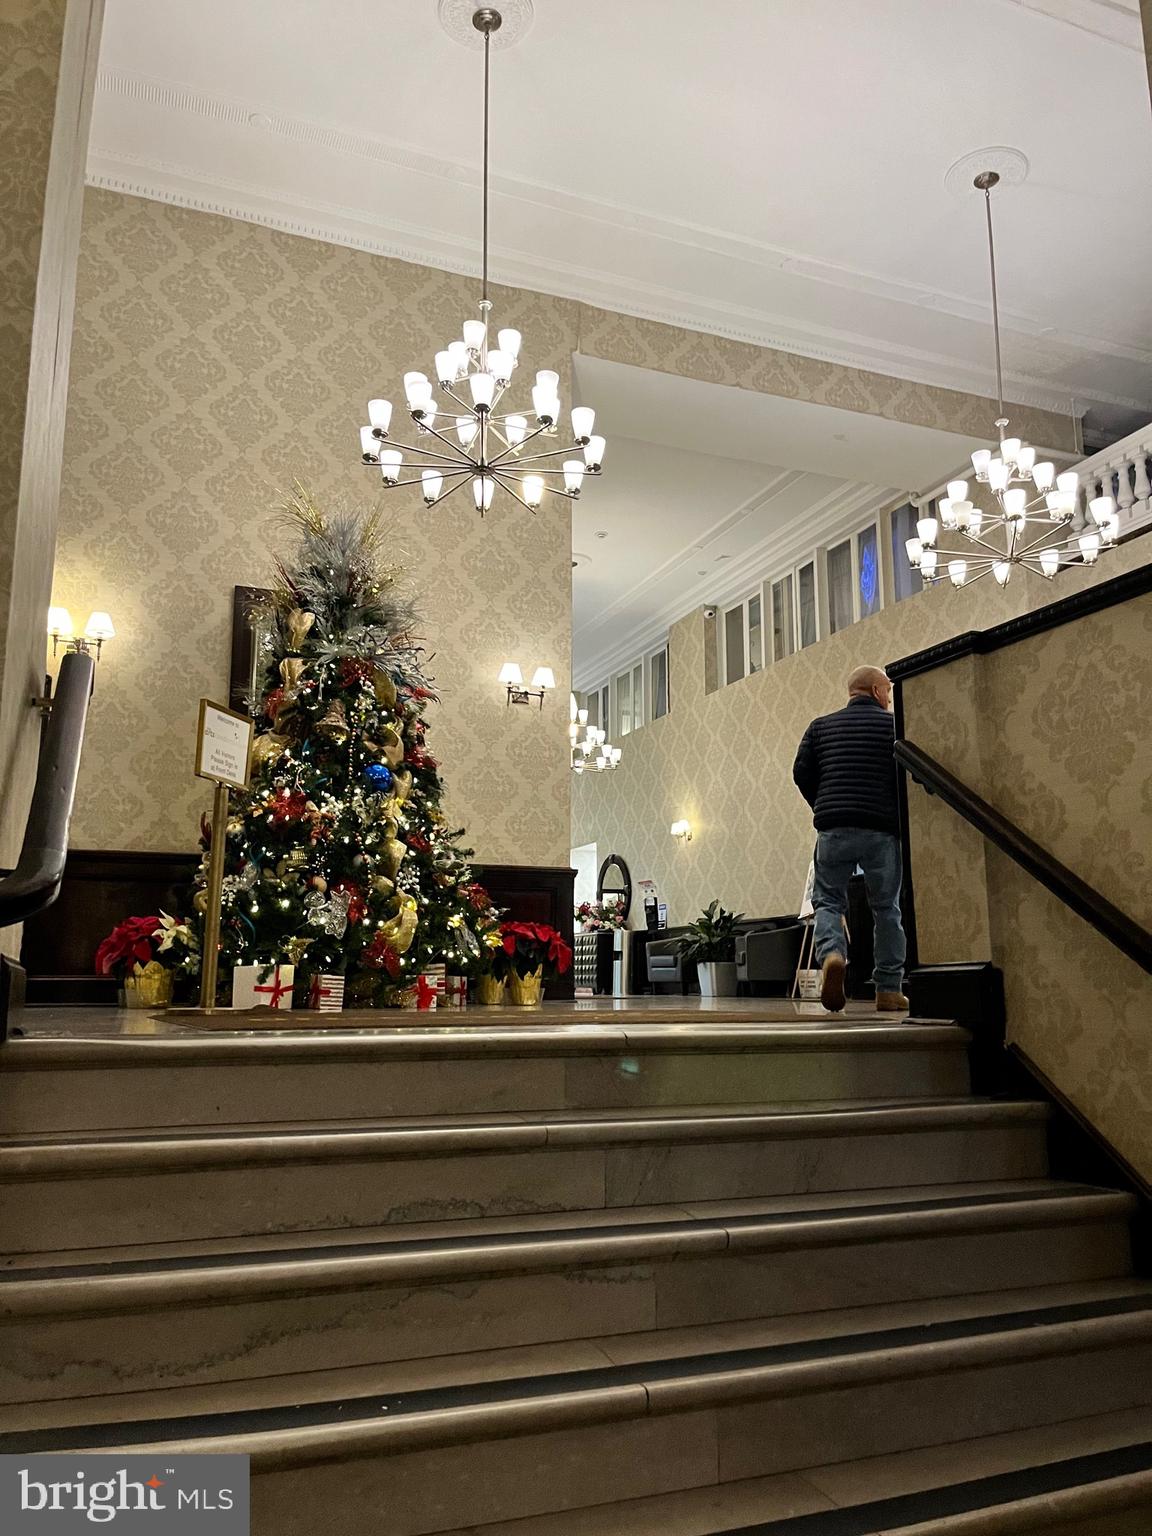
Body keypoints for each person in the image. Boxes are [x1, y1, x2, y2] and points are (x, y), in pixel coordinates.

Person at [792, 665, 908, 1014]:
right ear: (875, 691)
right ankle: (888, 989)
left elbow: (801, 772)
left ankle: (832, 954)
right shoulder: (894, 726)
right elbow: (904, 773)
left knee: (828, 901)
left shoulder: (820, 727)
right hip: (880, 829)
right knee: (887, 908)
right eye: (887, 690)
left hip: (834, 828)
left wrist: (825, 805)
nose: (888, 697)